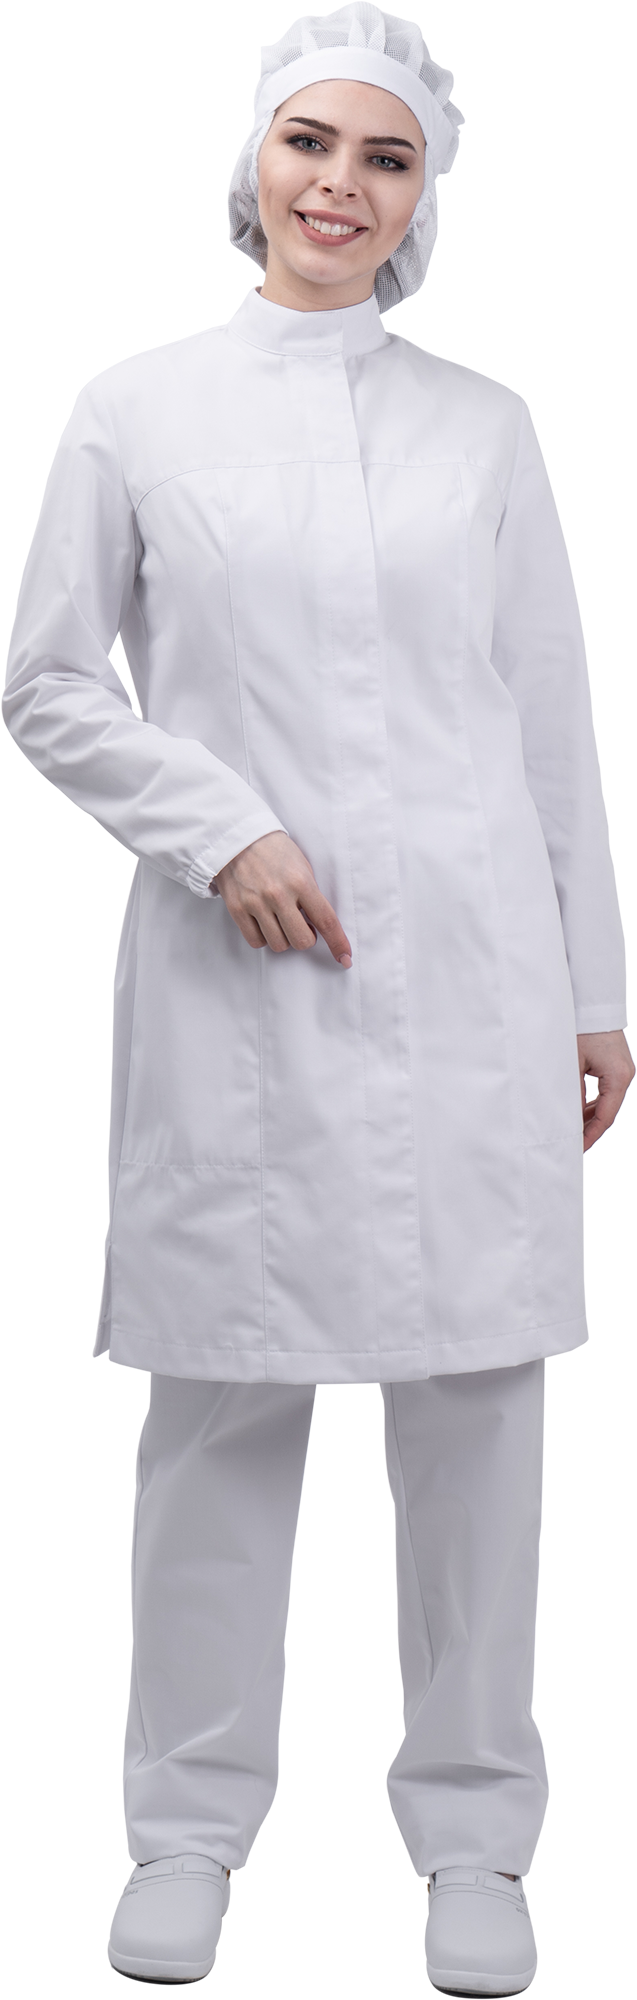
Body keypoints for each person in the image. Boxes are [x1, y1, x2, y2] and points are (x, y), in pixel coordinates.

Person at [3, 6, 634, 1993]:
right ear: (254, 165)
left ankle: (477, 1847)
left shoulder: (482, 429)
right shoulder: (137, 410)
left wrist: (596, 987)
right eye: (310, 144)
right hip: (243, 991)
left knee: (479, 1417)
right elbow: (48, 682)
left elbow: (548, 715)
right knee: (225, 1408)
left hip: (471, 979)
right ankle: (187, 1831)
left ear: (420, 196)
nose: (340, 185)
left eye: (385, 157)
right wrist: (224, 828)